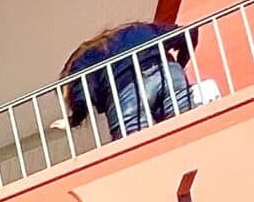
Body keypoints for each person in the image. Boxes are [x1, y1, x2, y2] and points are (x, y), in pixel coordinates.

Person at [61, 20, 193, 139]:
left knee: (138, 147)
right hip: (168, 74)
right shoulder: (139, 29)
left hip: (129, 91)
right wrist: (180, 65)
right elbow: (189, 32)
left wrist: (76, 118)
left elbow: (82, 89)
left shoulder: (84, 58)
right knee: (186, 130)